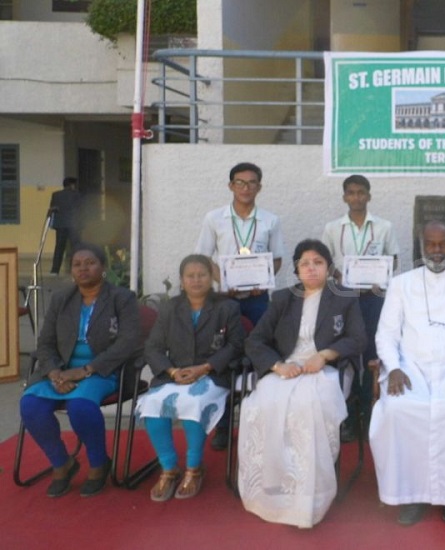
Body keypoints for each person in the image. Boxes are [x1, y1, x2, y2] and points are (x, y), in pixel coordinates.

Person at [370, 221, 445, 525]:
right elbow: (385, 335)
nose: (437, 252)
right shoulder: (401, 284)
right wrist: (394, 368)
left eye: (443, 245)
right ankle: (411, 496)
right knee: (399, 409)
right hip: (410, 370)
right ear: (421, 246)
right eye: (431, 245)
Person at [238, 239, 366, 528]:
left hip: (327, 369)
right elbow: (255, 340)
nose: (311, 269)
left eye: (318, 263)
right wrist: (277, 365)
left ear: (329, 268)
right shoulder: (283, 298)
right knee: (260, 404)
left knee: (307, 405)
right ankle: (271, 486)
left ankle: (310, 493)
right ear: (296, 269)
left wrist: (325, 355)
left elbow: (358, 339)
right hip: (288, 367)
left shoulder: (344, 297)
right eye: (305, 264)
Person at [20, 243, 142, 497]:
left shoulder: (122, 298)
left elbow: (129, 342)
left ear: (103, 268)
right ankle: (62, 463)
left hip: (102, 370)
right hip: (60, 371)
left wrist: (86, 369)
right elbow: (45, 343)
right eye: (77, 264)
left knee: (80, 406)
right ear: (71, 271)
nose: (83, 268)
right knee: (30, 405)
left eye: (90, 263)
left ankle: (98, 464)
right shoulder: (61, 299)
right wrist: (54, 373)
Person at [136, 254, 245, 502]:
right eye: (190, 276)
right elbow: (152, 347)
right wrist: (173, 371)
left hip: (212, 375)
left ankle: (194, 468)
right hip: (174, 375)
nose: (196, 280)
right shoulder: (170, 308)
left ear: (211, 278)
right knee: (151, 404)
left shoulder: (227, 308)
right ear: (181, 280)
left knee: (194, 404)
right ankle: (169, 468)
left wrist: (205, 367)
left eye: (202, 275)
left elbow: (236, 345)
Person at [195, 161, 285, 450]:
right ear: (230, 186)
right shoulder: (214, 218)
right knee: (223, 357)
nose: (246, 188)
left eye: (252, 183)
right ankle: (223, 426)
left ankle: (259, 422)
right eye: (240, 182)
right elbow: (203, 257)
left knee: (261, 356)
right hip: (224, 300)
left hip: (259, 299)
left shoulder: (270, 220)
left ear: (259, 187)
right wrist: (224, 279)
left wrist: (264, 280)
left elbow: (278, 258)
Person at [321, 174, 400, 442]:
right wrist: (339, 276)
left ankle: (370, 412)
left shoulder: (384, 227)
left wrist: (378, 278)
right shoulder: (333, 228)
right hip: (344, 299)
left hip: (374, 300)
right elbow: (325, 261)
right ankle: (350, 418)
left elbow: (394, 260)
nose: (356, 197)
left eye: (361, 192)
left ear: (369, 195)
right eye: (351, 193)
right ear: (344, 197)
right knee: (348, 357)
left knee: (372, 357)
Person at [49, 177, 82, 275]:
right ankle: (76, 268)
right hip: (73, 225)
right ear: (72, 185)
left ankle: (55, 270)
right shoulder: (77, 195)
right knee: (75, 248)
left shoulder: (56, 195)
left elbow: (52, 209)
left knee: (59, 248)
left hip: (60, 225)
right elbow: (81, 210)